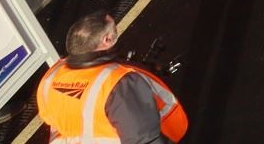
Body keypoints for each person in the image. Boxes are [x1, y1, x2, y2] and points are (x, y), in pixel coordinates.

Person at [35, 12, 187, 144]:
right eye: (115, 30)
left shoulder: (51, 77)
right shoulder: (117, 84)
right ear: (107, 40)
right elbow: (144, 139)